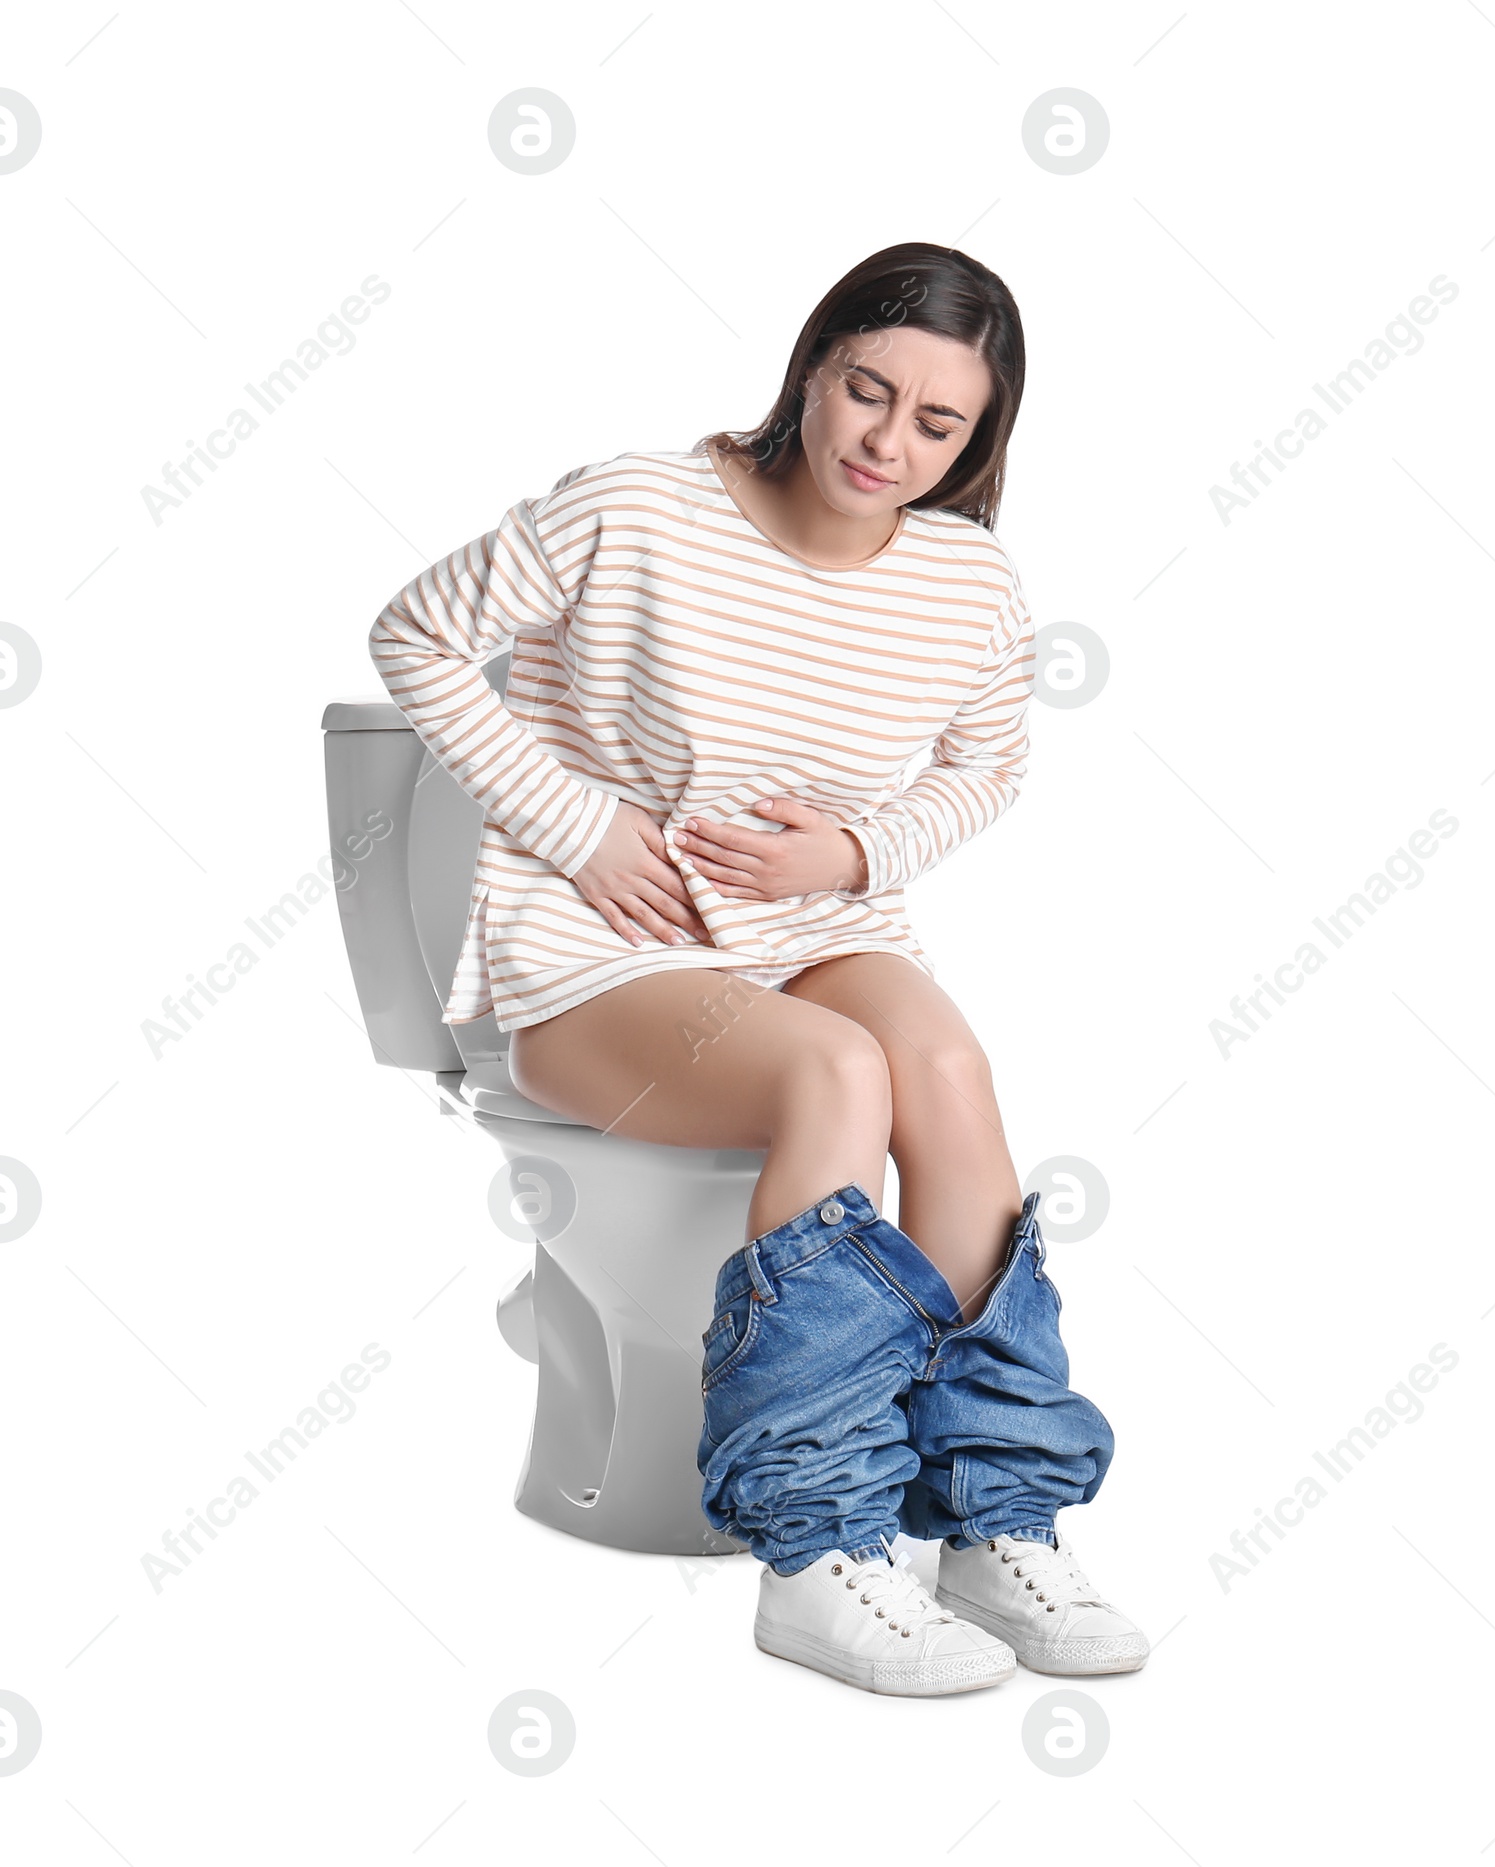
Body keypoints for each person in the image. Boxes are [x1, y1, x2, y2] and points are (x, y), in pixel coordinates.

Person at [369, 241, 1148, 1698]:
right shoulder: (637, 507)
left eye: (940, 426)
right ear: (812, 363)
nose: (887, 443)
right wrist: (581, 824)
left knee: (945, 1068)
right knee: (832, 1076)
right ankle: (817, 1550)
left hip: (820, 930)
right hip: (599, 949)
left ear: (982, 439)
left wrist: (856, 856)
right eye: (869, 391)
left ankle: (993, 1517)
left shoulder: (969, 582)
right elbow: (413, 634)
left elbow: (992, 768)